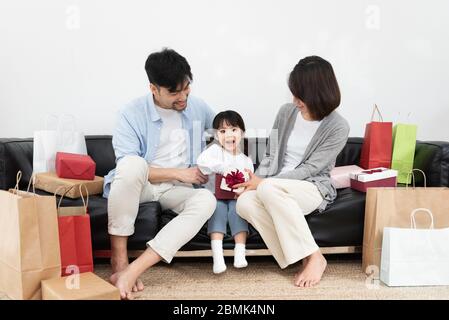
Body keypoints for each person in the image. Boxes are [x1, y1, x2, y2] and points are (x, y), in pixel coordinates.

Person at [104, 48, 217, 299]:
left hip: (176, 191)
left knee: (206, 200)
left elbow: (223, 136)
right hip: (141, 186)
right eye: (174, 92)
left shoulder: (198, 108)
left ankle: (135, 268)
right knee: (132, 164)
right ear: (153, 88)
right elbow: (128, 170)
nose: (183, 97)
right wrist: (180, 173)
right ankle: (119, 261)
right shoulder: (130, 114)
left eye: (186, 88)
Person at [234, 56, 350, 288]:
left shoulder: (338, 126)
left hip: (311, 187)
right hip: (273, 186)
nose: (295, 100)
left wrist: (264, 183)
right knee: (244, 204)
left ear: (318, 93)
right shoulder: (286, 112)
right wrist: (255, 180)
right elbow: (270, 155)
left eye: (300, 94)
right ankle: (303, 256)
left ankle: (315, 257)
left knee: (267, 188)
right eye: (294, 93)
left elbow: (311, 169)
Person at [197, 111, 254, 274]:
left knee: (238, 210)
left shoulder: (246, 159)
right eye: (222, 131)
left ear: (242, 132)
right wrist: (223, 168)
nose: (228, 135)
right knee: (218, 210)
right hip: (216, 197)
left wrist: (242, 190)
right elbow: (202, 163)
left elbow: (249, 180)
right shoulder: (214, 151)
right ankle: (218, 257)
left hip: (236, 197)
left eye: (233, 129)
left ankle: (240, 252)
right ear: (216, 135)